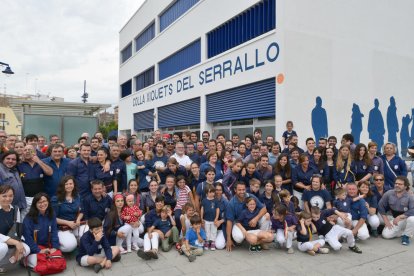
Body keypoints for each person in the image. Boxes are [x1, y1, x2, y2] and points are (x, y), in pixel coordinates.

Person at [225, 182, 271, 251]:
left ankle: (260, 240)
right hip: (239, 224)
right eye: (239, 190)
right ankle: (250, 238)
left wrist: (256, 219)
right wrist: (228, 239)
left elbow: (264, 209)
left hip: (253, 222)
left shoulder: (251, 196)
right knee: (238, 238)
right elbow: (229, 221)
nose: (242, 192)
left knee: (266, 217)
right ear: (235, 190)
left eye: (243, 189)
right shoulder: (231, 203)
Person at [22, 193, 60, 268]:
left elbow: (54, 232)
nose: (42, 204)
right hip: (33, 248)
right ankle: (24, 260)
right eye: (39, 202)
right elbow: (27, 238)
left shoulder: (51, 214)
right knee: (41, 264)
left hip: (47, 247)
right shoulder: (28, 218)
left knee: (55, 262)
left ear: (48, 202)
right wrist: (38, 250)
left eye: (44, 201)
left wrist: (55, 247)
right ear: (35, 204)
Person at [51, 176, 86, 253]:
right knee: (69, 246)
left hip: (75, 225)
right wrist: (68, 223)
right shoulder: (56, 199)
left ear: (74, 185)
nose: (69, 186)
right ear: (62, 186)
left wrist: (78, 219)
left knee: (89, 232)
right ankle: (58, 244)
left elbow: (82, 211)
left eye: (71, 183)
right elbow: (53, 218)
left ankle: (75, 239)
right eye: (66, 184)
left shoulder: (77, 196)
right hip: (62, 227)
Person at [0, 185, 30, 273]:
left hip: (10, 239)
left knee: (26, 249)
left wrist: (19, 243)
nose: (8, 198)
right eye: (4, 196)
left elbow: (18, 229)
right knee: (3, 247)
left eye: (10, 196)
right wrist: (16, 243)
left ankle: (5, 264)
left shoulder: (15, 209)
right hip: (3, 242)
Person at [18, 144, 53, 217]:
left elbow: (50, 173)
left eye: (30, 150)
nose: (27, 152)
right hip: (25, 199)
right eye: (25, 150)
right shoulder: (19, 164)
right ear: (22, 153)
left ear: (35, 153)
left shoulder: (41, 162)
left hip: (40, 198)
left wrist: (38, 161)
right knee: (24, 219)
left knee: (40, 218)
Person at [378, 176, 414, 245]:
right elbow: (380, 205)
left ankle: (406, 236)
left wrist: (400, 217)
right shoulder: (389, 193)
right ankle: (404, 231)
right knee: (386, 235)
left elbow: (413, 210)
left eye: (400, 184)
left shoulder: (410, 197)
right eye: (396, 183)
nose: (397, 185)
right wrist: (386, 221)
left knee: (412, 219)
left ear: (405, 186)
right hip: (393, 218)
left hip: (405, 218)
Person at [137, 195, 165, 260]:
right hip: (153, 233)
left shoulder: (165, 213)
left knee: (154, 234)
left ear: (164, 204)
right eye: (158, 202)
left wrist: (158, 232)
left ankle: (154, 251)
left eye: (161, 202)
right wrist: (157, 231)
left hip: (161, 236)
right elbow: (148, 228)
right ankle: (147, 252)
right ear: (155, 203)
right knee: (146, 235)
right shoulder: (150, 213)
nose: (159, 204)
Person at [200, 185, 219, 250]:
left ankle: (213, 242)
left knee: (214, 231)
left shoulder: (216, 200)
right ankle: (207, 241)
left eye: (213, 192)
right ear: (206, 193)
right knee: (207, 231)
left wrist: (216, 218)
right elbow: (202, 209)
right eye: (210, 192)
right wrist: (201, 218)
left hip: (213, 220)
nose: (212, 194)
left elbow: (217, 209)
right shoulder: (204, 200)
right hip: (206, 219)